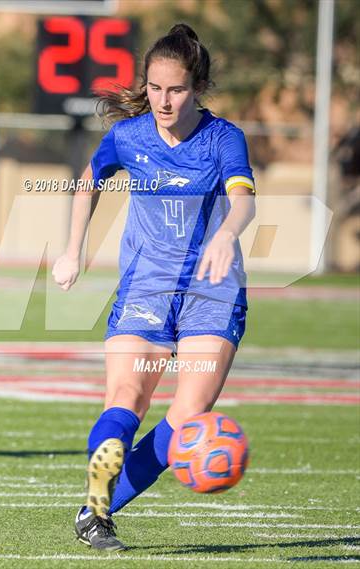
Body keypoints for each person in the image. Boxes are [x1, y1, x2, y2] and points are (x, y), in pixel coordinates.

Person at [52, 23, 256, 551]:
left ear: (198, 88)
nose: (164, 100)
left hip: (212, 295)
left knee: (188, 418)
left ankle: (96, 508)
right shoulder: (128, 137)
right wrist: (73, 250)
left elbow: (244, 199)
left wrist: (227, 235)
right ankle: (97, 507)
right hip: (144, 291)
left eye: (177, 89)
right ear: (146, 85)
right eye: (156, 88)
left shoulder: (223, 139)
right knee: (125, 396)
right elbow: (88, 183)